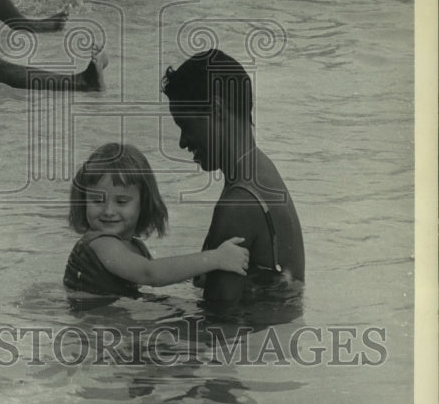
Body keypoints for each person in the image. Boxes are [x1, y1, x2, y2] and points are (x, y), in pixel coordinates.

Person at [162, 50, 305, 305]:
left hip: (250, 343)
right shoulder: (260, 169)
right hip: (271, 338)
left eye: (185, 125)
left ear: (216, 109)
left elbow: (218, 327)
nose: (183, 142)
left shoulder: (239, 203)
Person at [64, 143, 249, 299]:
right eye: (97, 201)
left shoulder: (135, 247)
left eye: (121, 201)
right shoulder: (101, 243)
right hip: (92, 328)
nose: (109, 211)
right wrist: (216, 258)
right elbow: (151, 274)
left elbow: (161, 274)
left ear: (143, 204)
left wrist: (197, 274)